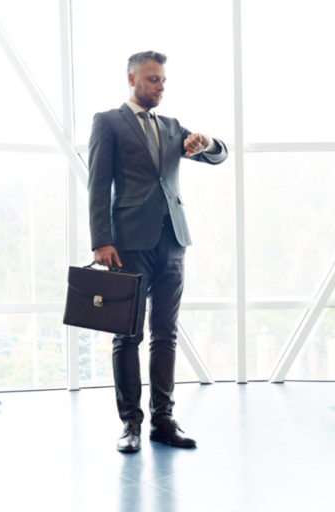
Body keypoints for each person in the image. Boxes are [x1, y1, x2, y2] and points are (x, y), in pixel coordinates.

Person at [88, 51, 228, 452]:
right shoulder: (108, 122)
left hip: (173, 242)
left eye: (163, 80)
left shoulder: (172, 126)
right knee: (126, 335)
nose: (160, 86)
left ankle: (163, 421)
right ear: (131, 79)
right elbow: (97, 184)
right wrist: (101, 239)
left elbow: (219, 156)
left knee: (165, 335)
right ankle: (130, 422)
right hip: (127, 244)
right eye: (153, 79)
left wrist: (207, 142)